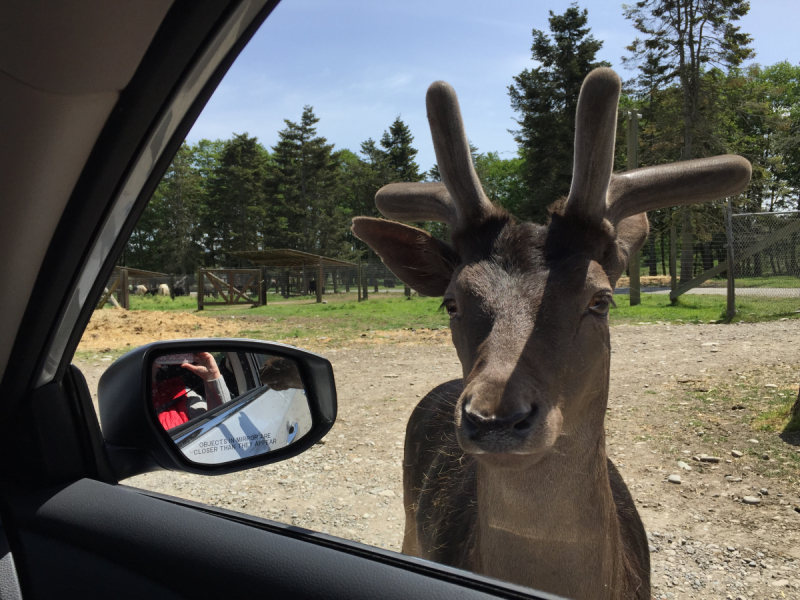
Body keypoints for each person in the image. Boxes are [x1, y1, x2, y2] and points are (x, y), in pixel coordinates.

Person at [152, 352, 232, 430]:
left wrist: (213, 377)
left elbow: (218, 423)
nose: (170, 358)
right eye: (160, 357)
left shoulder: (183, 395)